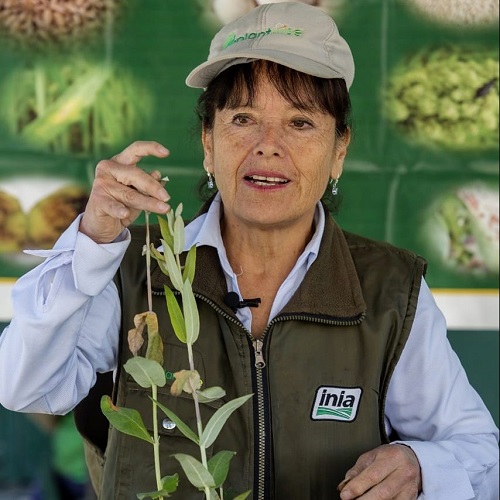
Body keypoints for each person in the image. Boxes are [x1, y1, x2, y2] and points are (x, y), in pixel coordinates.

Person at [0, 3, 498, 499]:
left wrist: (421, 465)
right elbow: (27, 386)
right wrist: (92, 241)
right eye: (243, 118)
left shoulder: (391, 289)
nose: (268, 145)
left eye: (300, 123)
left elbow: (479, 452)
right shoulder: (133, 269)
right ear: (208, 143)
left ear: (339, 151)